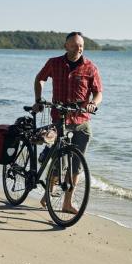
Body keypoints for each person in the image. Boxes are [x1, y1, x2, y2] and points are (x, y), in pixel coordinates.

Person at [33, 31, 102, 214]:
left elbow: (98, 92)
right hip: (60, 118)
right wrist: (39, 99)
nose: (78, 48)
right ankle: (48, 193)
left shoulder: (90, 67)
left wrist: (93, 104)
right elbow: (40, 79)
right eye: (74, 45)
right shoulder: (54, 63)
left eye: (81, 45)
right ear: (66, 46)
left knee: (76, 164)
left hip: (81, 121)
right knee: (58, 161)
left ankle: (67, 203)